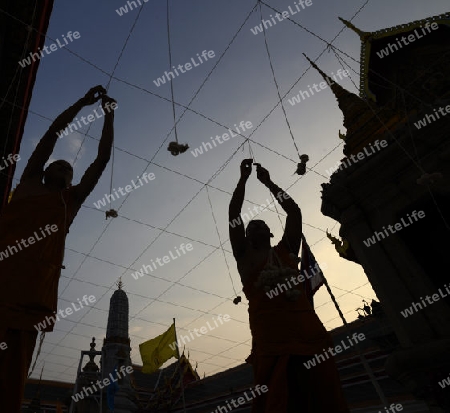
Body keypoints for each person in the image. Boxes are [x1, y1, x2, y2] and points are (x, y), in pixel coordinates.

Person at [0, 85, 116, 412]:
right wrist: (81, 101)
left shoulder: (70, 202)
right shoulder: (28, 185)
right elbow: (53, 131)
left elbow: (102, 158)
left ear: (71, 182)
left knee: (10, 385)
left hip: (31, 299)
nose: (63, 168)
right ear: (45, 169)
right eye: (58, 164)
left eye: (69, 169)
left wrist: (109, 116)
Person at [229, 159, 349, 412]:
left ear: (271, 233)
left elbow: (294, 213)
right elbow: (234, 216)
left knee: (321, 387)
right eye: (253, 226)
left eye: (262, 224)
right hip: (270, 332)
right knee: (276, 394)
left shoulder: (286, 250)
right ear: (247, 237)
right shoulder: (245, 257)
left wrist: (268, 182)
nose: (257, 226)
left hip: (304, 325)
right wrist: (243, 179)